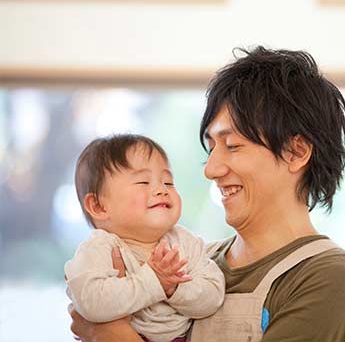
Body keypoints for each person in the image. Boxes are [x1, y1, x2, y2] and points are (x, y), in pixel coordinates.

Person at [69, 46, 345, 341]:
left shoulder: (328, 279)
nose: (210, 169)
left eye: (233, 145)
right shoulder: (194, 259)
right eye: (211, 147)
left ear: (295, 151)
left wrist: (110, 334)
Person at [65, 134, 225, 342]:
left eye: (168, 182)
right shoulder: (99, 249)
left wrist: (174, 288)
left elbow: (213, 295)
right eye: (143, 182)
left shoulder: (184, 242)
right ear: (98, 206)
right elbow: (90, 302)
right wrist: (153, 282)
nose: (161, 190)